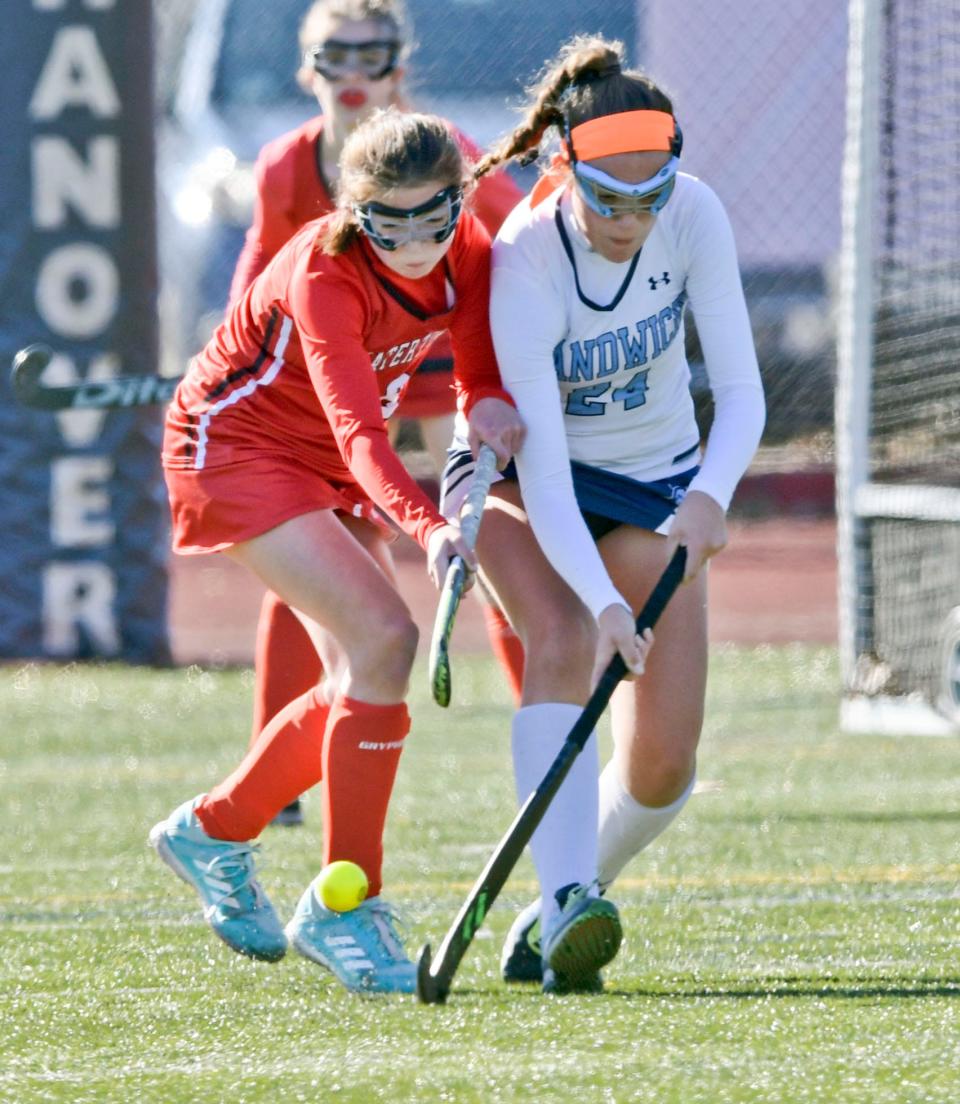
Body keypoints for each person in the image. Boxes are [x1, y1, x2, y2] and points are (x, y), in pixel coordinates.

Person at [150, 108, 523, 996]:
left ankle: (214, 828)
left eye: (436, 218)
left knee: (365, 673)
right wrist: (430, 526)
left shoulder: (467, 250)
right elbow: (363, 434)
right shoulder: (325, 271)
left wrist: (494, 414)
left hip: (320, 454)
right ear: (358, 214)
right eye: (391, 223)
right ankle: (345, 905)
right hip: (237, 448)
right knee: (387, 640)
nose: (418, 243)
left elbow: (474, 375)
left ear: (458, 203)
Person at [451, 34, 766, 993]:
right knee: (555, 642)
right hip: (533, 483)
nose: (631, 218)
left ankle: (566, 910)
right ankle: (564, 896)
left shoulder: (695, 214)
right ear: (563, 167)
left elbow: (744, 394)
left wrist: (710, 496)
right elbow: (545, 481)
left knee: (664, 767)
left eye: (652, 194)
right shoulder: (524, 262)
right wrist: (602, 606)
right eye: (607, 197)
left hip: (655, 487)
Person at [234, 0, 526, 825]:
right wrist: (231, 362)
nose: (355, 74)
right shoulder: (286, 166)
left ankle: (536, 736)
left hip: (449, 366)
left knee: (492, 539)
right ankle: (280, 774)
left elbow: (514, 233)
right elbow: (259, 276)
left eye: (373, 55)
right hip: (353, 378)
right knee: (313, 556)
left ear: (402, 65)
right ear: (308, 69)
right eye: (335, 56)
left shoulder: (445, 157)